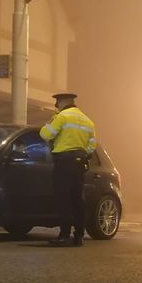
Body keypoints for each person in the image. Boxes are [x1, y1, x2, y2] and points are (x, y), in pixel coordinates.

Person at [40, 92, 97, 246]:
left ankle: (64, 235)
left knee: (63, 198)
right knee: (78, 199)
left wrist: (50, 122)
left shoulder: (62, 117)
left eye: (57, 103)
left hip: (64, 162)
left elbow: (45, 135)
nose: (56, 106)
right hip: (79, 163)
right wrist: (81, 153)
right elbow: (92, 146)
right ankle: (79, 236)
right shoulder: (88, 121)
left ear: (62, 102)